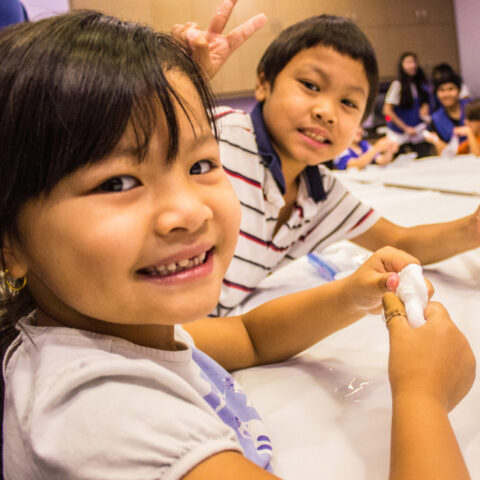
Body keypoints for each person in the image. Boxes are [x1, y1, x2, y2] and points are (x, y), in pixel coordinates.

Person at [0, 10, 475, 480]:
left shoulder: (130, 328)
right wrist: (422, 395)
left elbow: (248, 337)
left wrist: (350, 294)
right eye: (119, 182)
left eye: (201, 166)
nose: (189, 212)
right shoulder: (104, 412)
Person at [178, 9, 480, 318]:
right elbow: (149, 136)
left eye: (348, 103)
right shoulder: (219, 136)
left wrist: (473, 228)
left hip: (202, 337)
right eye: (310, 85)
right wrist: (178, 84)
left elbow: (399, 240)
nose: (326, 111)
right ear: (264, 83)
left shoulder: (320, 194)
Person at [383, 52, 432, 158]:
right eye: (408, 62)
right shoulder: (397, 85)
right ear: (402, 65)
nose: (412, 65)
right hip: (399, 134)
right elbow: (387, 111)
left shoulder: (421, 85)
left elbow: (424, 107)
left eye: (414, 62)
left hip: (417, 131)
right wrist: (405, 128)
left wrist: (425, 115)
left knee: (425, 159)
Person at [424, 72, 470, 155]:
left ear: (459, 91)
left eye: (451, 89)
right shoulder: (436, 119)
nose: (446, 94)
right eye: (442, 90)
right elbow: (442, 153)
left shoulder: (472, 108)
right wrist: (436, 141)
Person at [333, 126, 398, 170]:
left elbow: (382, 161)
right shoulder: (341, 148)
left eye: (361, 127)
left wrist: (389, 151)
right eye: (356, 128)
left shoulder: (364, 144)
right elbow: (355, 165)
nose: (360, 131)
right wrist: (376, 148)